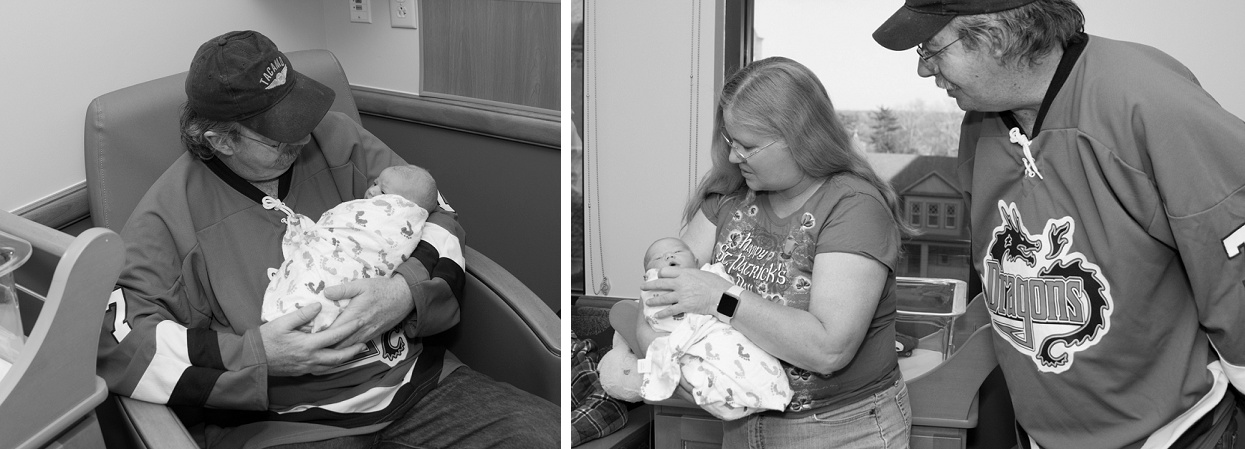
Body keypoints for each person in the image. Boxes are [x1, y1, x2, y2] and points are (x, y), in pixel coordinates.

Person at [96, 30, 558, 448]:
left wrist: (403, 292)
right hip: (284, 425)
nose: (302, 134)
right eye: (279, 133)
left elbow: (438, 214)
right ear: (221, 140)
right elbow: (119, 346)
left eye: (301, 112)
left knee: (542, 436)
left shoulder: (337, 138)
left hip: (414, 385)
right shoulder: (170, 213)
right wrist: (258, 356)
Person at [872, 1, 1245, 447]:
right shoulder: (980, 123)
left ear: (994, 36)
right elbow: (992, 275)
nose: (922, 69)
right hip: (1042, 433)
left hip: (1177, 435)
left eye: (930, 49)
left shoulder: (1151, 102)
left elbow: (1230, 270)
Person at [639, 56, 914, 448]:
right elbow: (656, 293)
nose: (734, 157)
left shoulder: (854, 207)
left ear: (800, 137)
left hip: (841, 429)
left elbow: (827, 348)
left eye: (748, 146)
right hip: (742, 423)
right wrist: (664, 360)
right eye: (731, 142)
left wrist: (720, 298)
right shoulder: (731, 194)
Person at [613, 237, 792, 421]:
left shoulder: (712, 274)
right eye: (658, 258)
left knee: (747, 358)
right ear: (648, 274)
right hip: (687, 346)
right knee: (698, 374)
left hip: (718, 332)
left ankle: (765, 389)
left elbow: (729, 294)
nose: (669, 256)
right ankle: (722, 399)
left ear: (697, 262)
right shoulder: (652, 292)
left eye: (678, 251)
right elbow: (653, 319)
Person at [259, 165, 438, 334]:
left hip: (358, 270)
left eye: (383, 192)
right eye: (375, 183)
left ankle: (307, 312)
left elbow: (384, 246)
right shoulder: (364, 206)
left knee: (332, 284)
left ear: (405, 207)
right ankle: (297, 310)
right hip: (332, 252)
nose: (372, 190)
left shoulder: (399, 222)